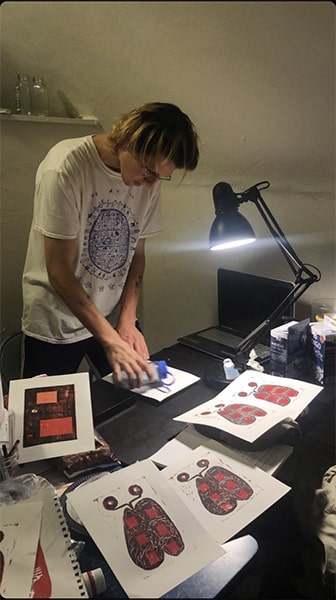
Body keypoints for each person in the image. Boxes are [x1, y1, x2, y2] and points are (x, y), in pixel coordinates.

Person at [21, 102, 199, 387]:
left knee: (139, 397)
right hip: (57, 319)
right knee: (44, 419)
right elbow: (58, 272)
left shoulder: (146, 181)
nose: (152, 184)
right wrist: (111, 339)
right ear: (130, 140)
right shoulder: (65, 167)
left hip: (114, 312)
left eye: (161, 176)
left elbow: (136, 255)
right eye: (150, 172)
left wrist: (127, 321)